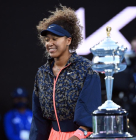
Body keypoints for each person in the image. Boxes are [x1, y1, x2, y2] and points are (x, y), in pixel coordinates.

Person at [29, 5, 101, 140]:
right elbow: (38, 116)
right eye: (47, 39)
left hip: (81, 136)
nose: (49, 43)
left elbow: (90, 108)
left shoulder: (86, 69)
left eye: (55, 38)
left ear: (69, 40)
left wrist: (78, 135)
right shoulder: (42, 73)